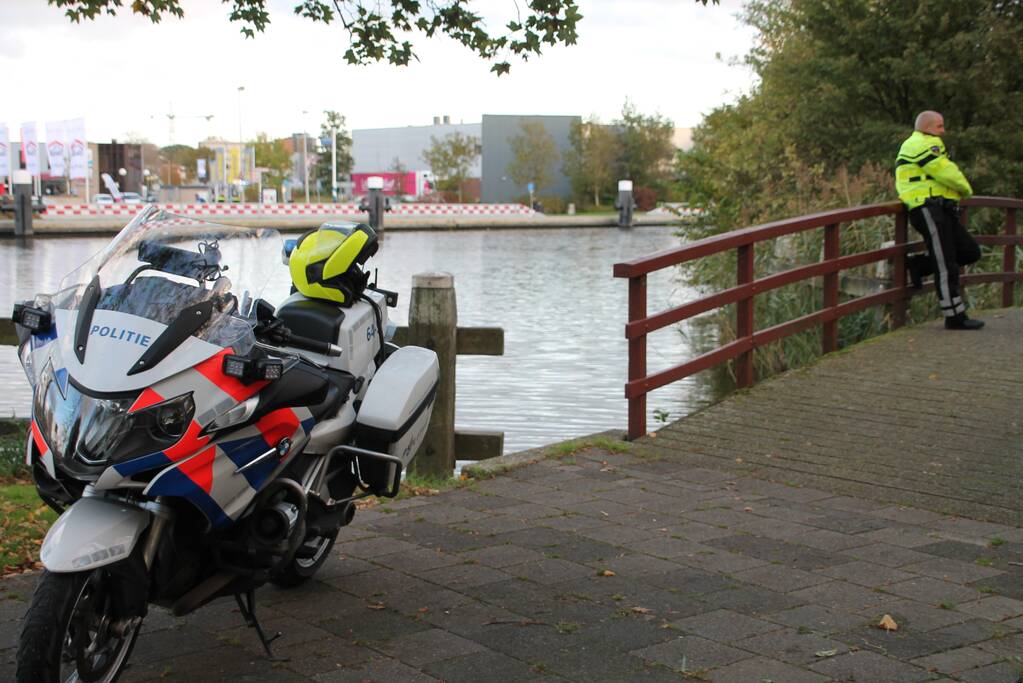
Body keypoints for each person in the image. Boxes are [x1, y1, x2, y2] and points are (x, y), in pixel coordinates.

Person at [895, 111, 983, 329]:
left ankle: (920, 264)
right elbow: (946, 172)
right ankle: (954, 316)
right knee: (946, 265)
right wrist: (965, 189)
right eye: (939, 126)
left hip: (939, 208)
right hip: (926, 207)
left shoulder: (924, 143)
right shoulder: (924, 143)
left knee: (969, 251)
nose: (943, 131)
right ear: (926, 127)